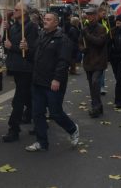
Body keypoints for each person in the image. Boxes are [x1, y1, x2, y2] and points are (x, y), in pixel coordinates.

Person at [25, 12, 79, 152]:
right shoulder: (41, 36)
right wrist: (26, 49)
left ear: (56, 23)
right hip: (38, 81)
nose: (45, 21)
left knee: (55, 113)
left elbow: (63, 62)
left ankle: (72, 129)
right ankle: (41, 142)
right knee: (37, 113)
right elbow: (34, 56)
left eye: (49, 19)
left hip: (53, 82)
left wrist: (57, 79)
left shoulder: (62, 39)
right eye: (45, 19)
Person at [2, 3, 38, 143]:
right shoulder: (14, 26)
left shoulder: (31, 27)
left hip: (26, 68)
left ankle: (13, 129)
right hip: (15, 66)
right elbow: (7, 47)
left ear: (24, 12)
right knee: (27, 96)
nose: (13, 11)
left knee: (18, 99)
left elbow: (32, 50)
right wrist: (5, 32)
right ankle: (36, 117)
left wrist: (14, 47)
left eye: (16, 10)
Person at [81, 7, 109, 118]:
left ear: (96, 16)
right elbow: (79, 42)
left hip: (99, 61)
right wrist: (82, 48)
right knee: (92, 86)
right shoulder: (85, 28)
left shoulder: (101, 28)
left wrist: (86, 35)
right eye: (88, 15)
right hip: (88, 61)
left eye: (92, 15)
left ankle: (95, 107)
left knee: (95, 83)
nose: (90, 17)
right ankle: (98, 106)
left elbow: (99, 42)